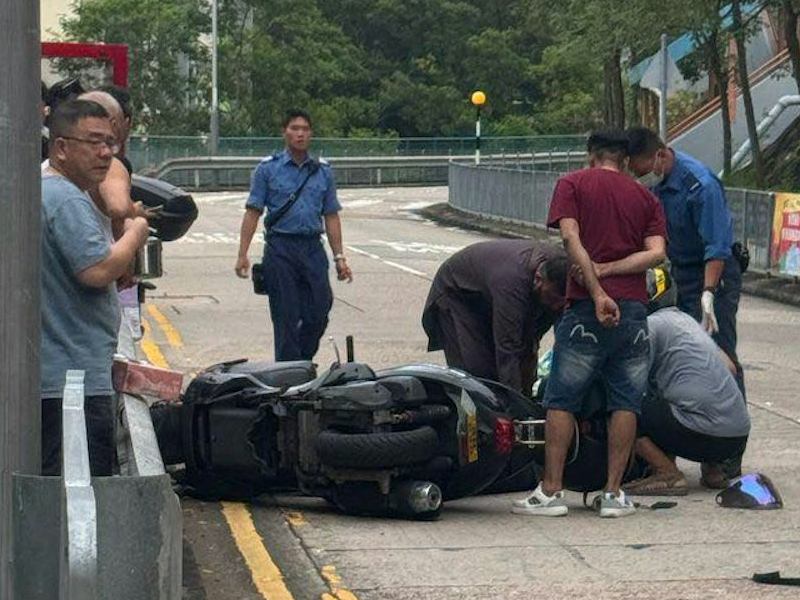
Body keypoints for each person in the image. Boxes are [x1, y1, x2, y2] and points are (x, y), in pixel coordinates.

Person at [512, 128, 667, 518]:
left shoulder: (572, 184)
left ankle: (551, 491)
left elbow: (569, 238)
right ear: (625, 158)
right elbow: (657, 254)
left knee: (562, 398)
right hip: (633, 309)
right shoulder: (645, 197)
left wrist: (597, 287)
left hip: (584, 308)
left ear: (591, 153)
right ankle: (614, 494)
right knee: (625, 401)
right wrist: (615, 270)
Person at [40, 99, 149, 476]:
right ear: (62, 148)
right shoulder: (65, 198)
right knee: (80, 497)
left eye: (110, 142)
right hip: (71, 383)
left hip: (67, 374)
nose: (104, 152)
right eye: (92, 142)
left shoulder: (55, 192)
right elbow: (98, 270)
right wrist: (135, 233)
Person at [235, 109, 353, 361]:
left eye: (305, 129)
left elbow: (331, 215)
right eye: (294, 128)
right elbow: (253, 211)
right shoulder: (268, 170)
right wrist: (242, 253)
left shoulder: (322, 172)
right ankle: (289, 374)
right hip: (281, 249)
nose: (300, 134)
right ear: (284, 133)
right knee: (286, 315)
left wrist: (340, 257)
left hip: (312, 248)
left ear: (311, 134)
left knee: (320, 308)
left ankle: (301, 359)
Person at [626, 126, 743, 376]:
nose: (641, 179)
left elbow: (717, 245)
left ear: (660, 155)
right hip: (683, 270)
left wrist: (709, 293)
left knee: (719, 352)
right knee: (692, 351)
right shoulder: (656, 186)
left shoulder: (700, 185)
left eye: (643, 172)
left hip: (714, 272)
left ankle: (734, 413)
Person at [623, 307, 750, 495]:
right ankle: (713, 471)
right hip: (737, 439)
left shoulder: (651, 325)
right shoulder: (689, 323)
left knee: (623, 407)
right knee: (689, 400)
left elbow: (633, 383)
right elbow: (730, 368)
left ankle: (667, 472)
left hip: (700, 434)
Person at [421, 240, 567, 395]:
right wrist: (514, 405)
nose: (556, 307)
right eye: (552, 299)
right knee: (480, 377)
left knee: (525, 357)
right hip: (458, 295)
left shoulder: (564, 267)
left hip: (491, 294)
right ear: (538, 279)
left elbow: (532, 342)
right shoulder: (511, 284)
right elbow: (508, 349)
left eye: (561, 302)